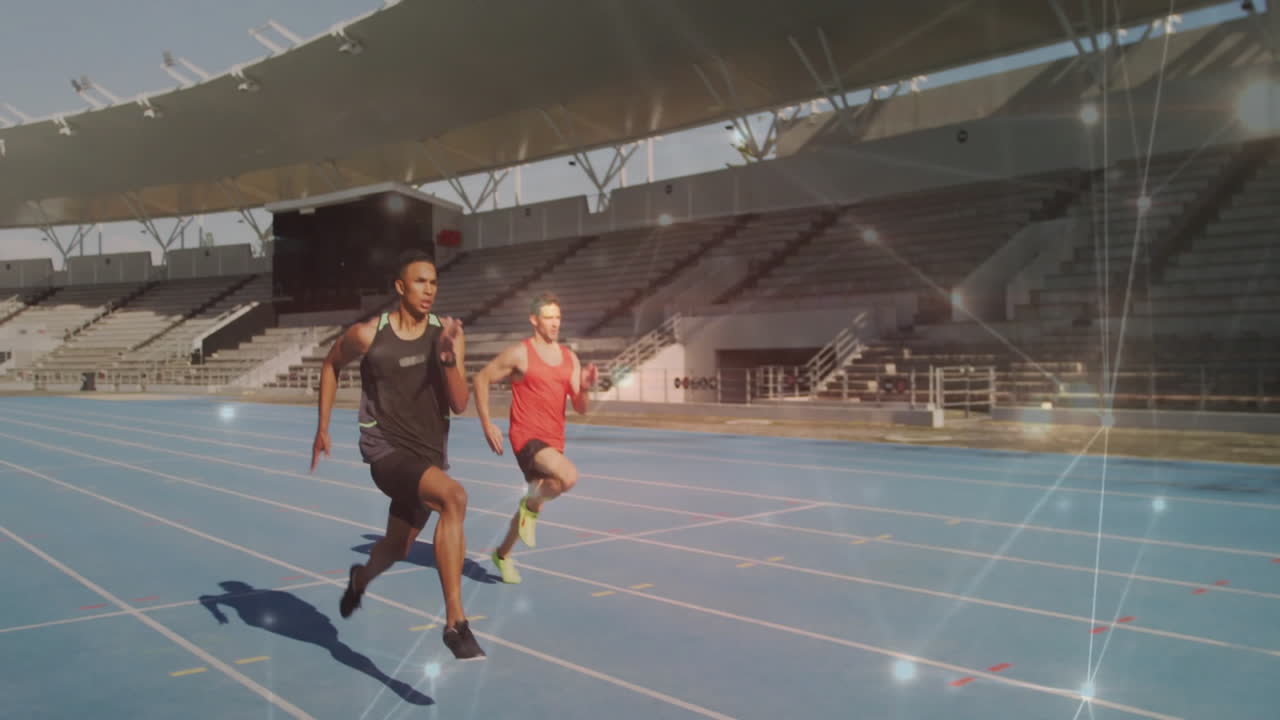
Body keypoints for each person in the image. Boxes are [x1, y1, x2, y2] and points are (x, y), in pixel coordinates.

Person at [310, 248, 484, 661]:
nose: (429, 290)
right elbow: (331, 365)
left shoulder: (447, 335)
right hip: (385, 451)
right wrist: (322, 427)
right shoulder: (368, 335)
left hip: (428, 457)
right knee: (454, 498)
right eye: (421, 282)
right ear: (400, 287)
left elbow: (460, 404)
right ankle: (456, 623)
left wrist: (447, 357)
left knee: (397, 547)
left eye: (434, 282)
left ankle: (360, 579)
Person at [471, 291, 597, 584]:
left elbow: (581, 408)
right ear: (534, 320)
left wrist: (586, 387)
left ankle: (502, 555)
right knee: (569, 476)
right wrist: (487, 424)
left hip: (554, 440)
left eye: (558, 317)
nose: (555, 323)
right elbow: (481, 378)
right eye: (548, 317)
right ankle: (528, 507)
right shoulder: (520, 353)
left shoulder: (570, 358)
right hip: (526, 437)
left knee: (541, 496)